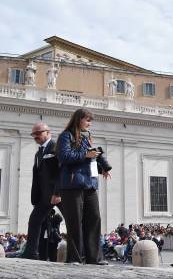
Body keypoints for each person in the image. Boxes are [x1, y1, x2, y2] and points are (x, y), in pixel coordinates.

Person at [56, 108, 110, 265]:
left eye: (91, 120)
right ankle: (74, 258)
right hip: (73, 184)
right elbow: (64, 157)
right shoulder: (66, 136)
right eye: (87, 120)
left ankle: (95, 257)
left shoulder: (87, 138)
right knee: (74, 221)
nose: (90, 123)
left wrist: (102, 169)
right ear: (78, 119)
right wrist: (86, 154)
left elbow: (89, 162)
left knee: (94, 218)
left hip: (90, 183)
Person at [18, 122, 61, 260]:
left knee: (74, 222)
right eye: (33, 134)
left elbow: (61, 171)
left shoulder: (56, 147)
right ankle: (31, 253)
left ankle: (81, 253)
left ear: (48, 132)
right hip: (44, 196)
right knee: (34, 220)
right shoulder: (38, 153)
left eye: (38, 133)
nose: (35, 136)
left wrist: (57, 192)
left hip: (58, 193)